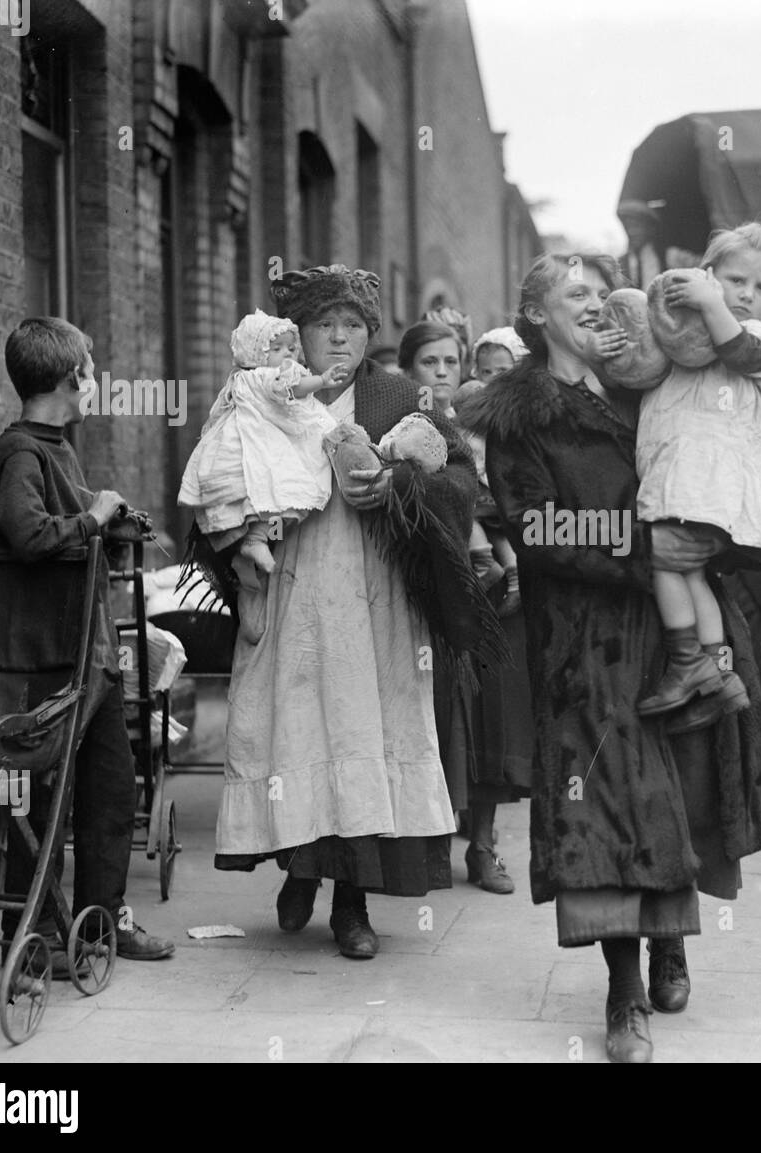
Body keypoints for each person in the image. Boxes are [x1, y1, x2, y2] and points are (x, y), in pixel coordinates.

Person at [458, 251, 761, 1063]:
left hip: (678, 624)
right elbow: (534, 528)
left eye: (603, 294)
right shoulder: (520, 416)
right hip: (586, 636)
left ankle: (671, 940)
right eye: (577, 296)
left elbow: (722, 455)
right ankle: (623, 989)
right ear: (538, 316)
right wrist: (643, 549)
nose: (596, 307)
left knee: (683, 786)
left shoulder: (650, 382)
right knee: (605, 805)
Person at [189, 264, 502, 959]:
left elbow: (459, 475)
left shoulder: (394, 393)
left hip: (376, 600)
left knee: (361, 734)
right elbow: (217, 471)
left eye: (353, 325)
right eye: (325, 323)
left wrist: (396, 484)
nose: (339, 336)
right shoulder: (268, 392)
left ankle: (350, 904)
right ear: (297, 333)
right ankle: (300, 867)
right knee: (295, 735)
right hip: (292, 587)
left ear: (370, 334)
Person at [0, 317, 176, 967]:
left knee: (111, 791)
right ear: (71, 379)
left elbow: (67, 523)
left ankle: (99, 922)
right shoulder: (20, 451)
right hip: (48, 660)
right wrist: (94, 514)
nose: (96, 384)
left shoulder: (56, 445)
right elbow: (28, 535)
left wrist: (112, 520)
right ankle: (29, 937)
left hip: (89, 654)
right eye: (91, 373)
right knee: (40, 801)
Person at [634, 222, 761, 724]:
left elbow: (741, 354)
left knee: (664, 563)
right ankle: (716, 670)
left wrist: (712, 304)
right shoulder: (683, 338)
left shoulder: (755, 338)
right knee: (689, 572)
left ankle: (689, 663)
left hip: (707, 489)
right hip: (686, 486)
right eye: (735, 281)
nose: (747, 295)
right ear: (709, 275)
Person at [400, 319, 529, 895]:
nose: (443, 374)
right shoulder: (399, 425)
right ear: (409, 372)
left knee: (488, 716)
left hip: (489, 592)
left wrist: (500, 551)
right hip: (426, 586)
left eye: (452, 362)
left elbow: (506, 497)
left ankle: (483, 847)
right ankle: (426, 848)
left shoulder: (482, 423)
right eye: (430, 363)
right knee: (430, 718)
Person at [178, 309, 348, 577]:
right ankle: (254, 541)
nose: (289, 354)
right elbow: (290, 387)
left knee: (262, 503)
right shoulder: (263, 376)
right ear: (256, 355)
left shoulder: (242, 379)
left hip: (254, 440)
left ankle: (244, 555)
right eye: (277, 348)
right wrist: (321, 380)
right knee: (284, 494)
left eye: (292, 348)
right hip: (258, 444)